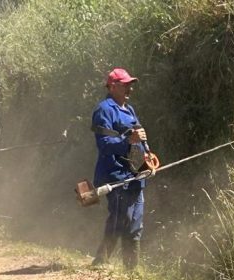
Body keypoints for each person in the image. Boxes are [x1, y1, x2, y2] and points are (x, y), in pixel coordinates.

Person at [90, 67, 148, 269]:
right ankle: (101, 261)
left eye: (130, 84)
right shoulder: (104, 110)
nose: (129, 88)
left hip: (136, 174)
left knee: (135, 224)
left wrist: (147, 155)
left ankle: (131, 271)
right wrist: (128, 140)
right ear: (113, 86)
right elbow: (104, 144)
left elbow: (139, 138)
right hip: (115, 175)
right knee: (119, 220)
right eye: (125, 84)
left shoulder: (129, 109)